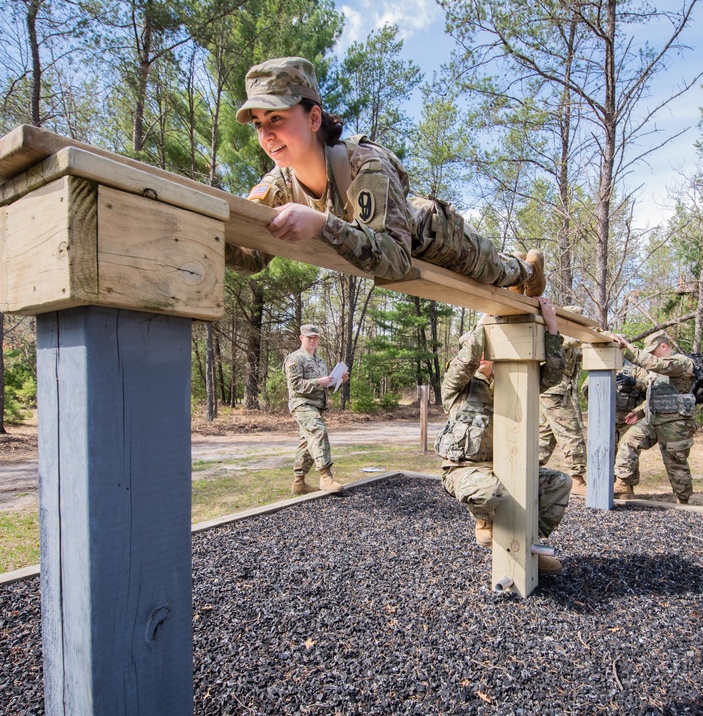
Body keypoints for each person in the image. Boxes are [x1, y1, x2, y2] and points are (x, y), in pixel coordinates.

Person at [226, 56, 547, 295]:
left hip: (438, 239)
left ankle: (528, 267)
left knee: (496, 271)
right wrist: (217, 240)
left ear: (313, 118)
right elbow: (253, 256)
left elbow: (395, 260)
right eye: (258, 124)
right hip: (403, 245)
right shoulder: (279, 182)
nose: (266, 134)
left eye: (276, 118)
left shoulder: (364, 163)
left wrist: (322, 225)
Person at [435, 297, 571, 574]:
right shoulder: (457, 385)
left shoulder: (512, 380)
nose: (485, 353)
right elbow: (470, 356)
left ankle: (525, 544)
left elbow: (554, 374)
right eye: (486, 346)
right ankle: (485, 521)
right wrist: (488, 319)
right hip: (464, 469)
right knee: (488, 492)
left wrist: (552, 328)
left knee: (559, 483)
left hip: (505, 466)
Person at [607, 331, 697, 504]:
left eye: (652, 352)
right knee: (629, 441)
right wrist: (638, 412)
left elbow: (658, 365)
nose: (650, 356)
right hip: (653, 420)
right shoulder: (657, 372)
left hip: (675, 422)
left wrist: (627, 348)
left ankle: (683, 500)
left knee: (675, 462)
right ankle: (622, 485)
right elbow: (653, 396)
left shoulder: (682, 362)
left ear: (663, 346)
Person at [285, 324, 346, 495]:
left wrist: (339, 380)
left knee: (307, 443)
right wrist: (318, 381)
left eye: (315, 337)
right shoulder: (295, 359)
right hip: (302, 404)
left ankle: (299, 483)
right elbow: (295, 385)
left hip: (316, 406)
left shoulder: (320, 362)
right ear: (301, 338)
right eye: (309, 337)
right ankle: (325, 477)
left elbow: (325, 385)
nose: (312, 340)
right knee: (318, 431)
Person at [538, 306, 586, 495]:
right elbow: (568, 342)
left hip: (555, 390)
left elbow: (577, 353)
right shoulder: (557, 334)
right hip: (553, 391)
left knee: (545, 437)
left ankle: (529, 472)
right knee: (571, 433)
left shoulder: (570, 341)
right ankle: (577, 479)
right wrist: (589, 335)